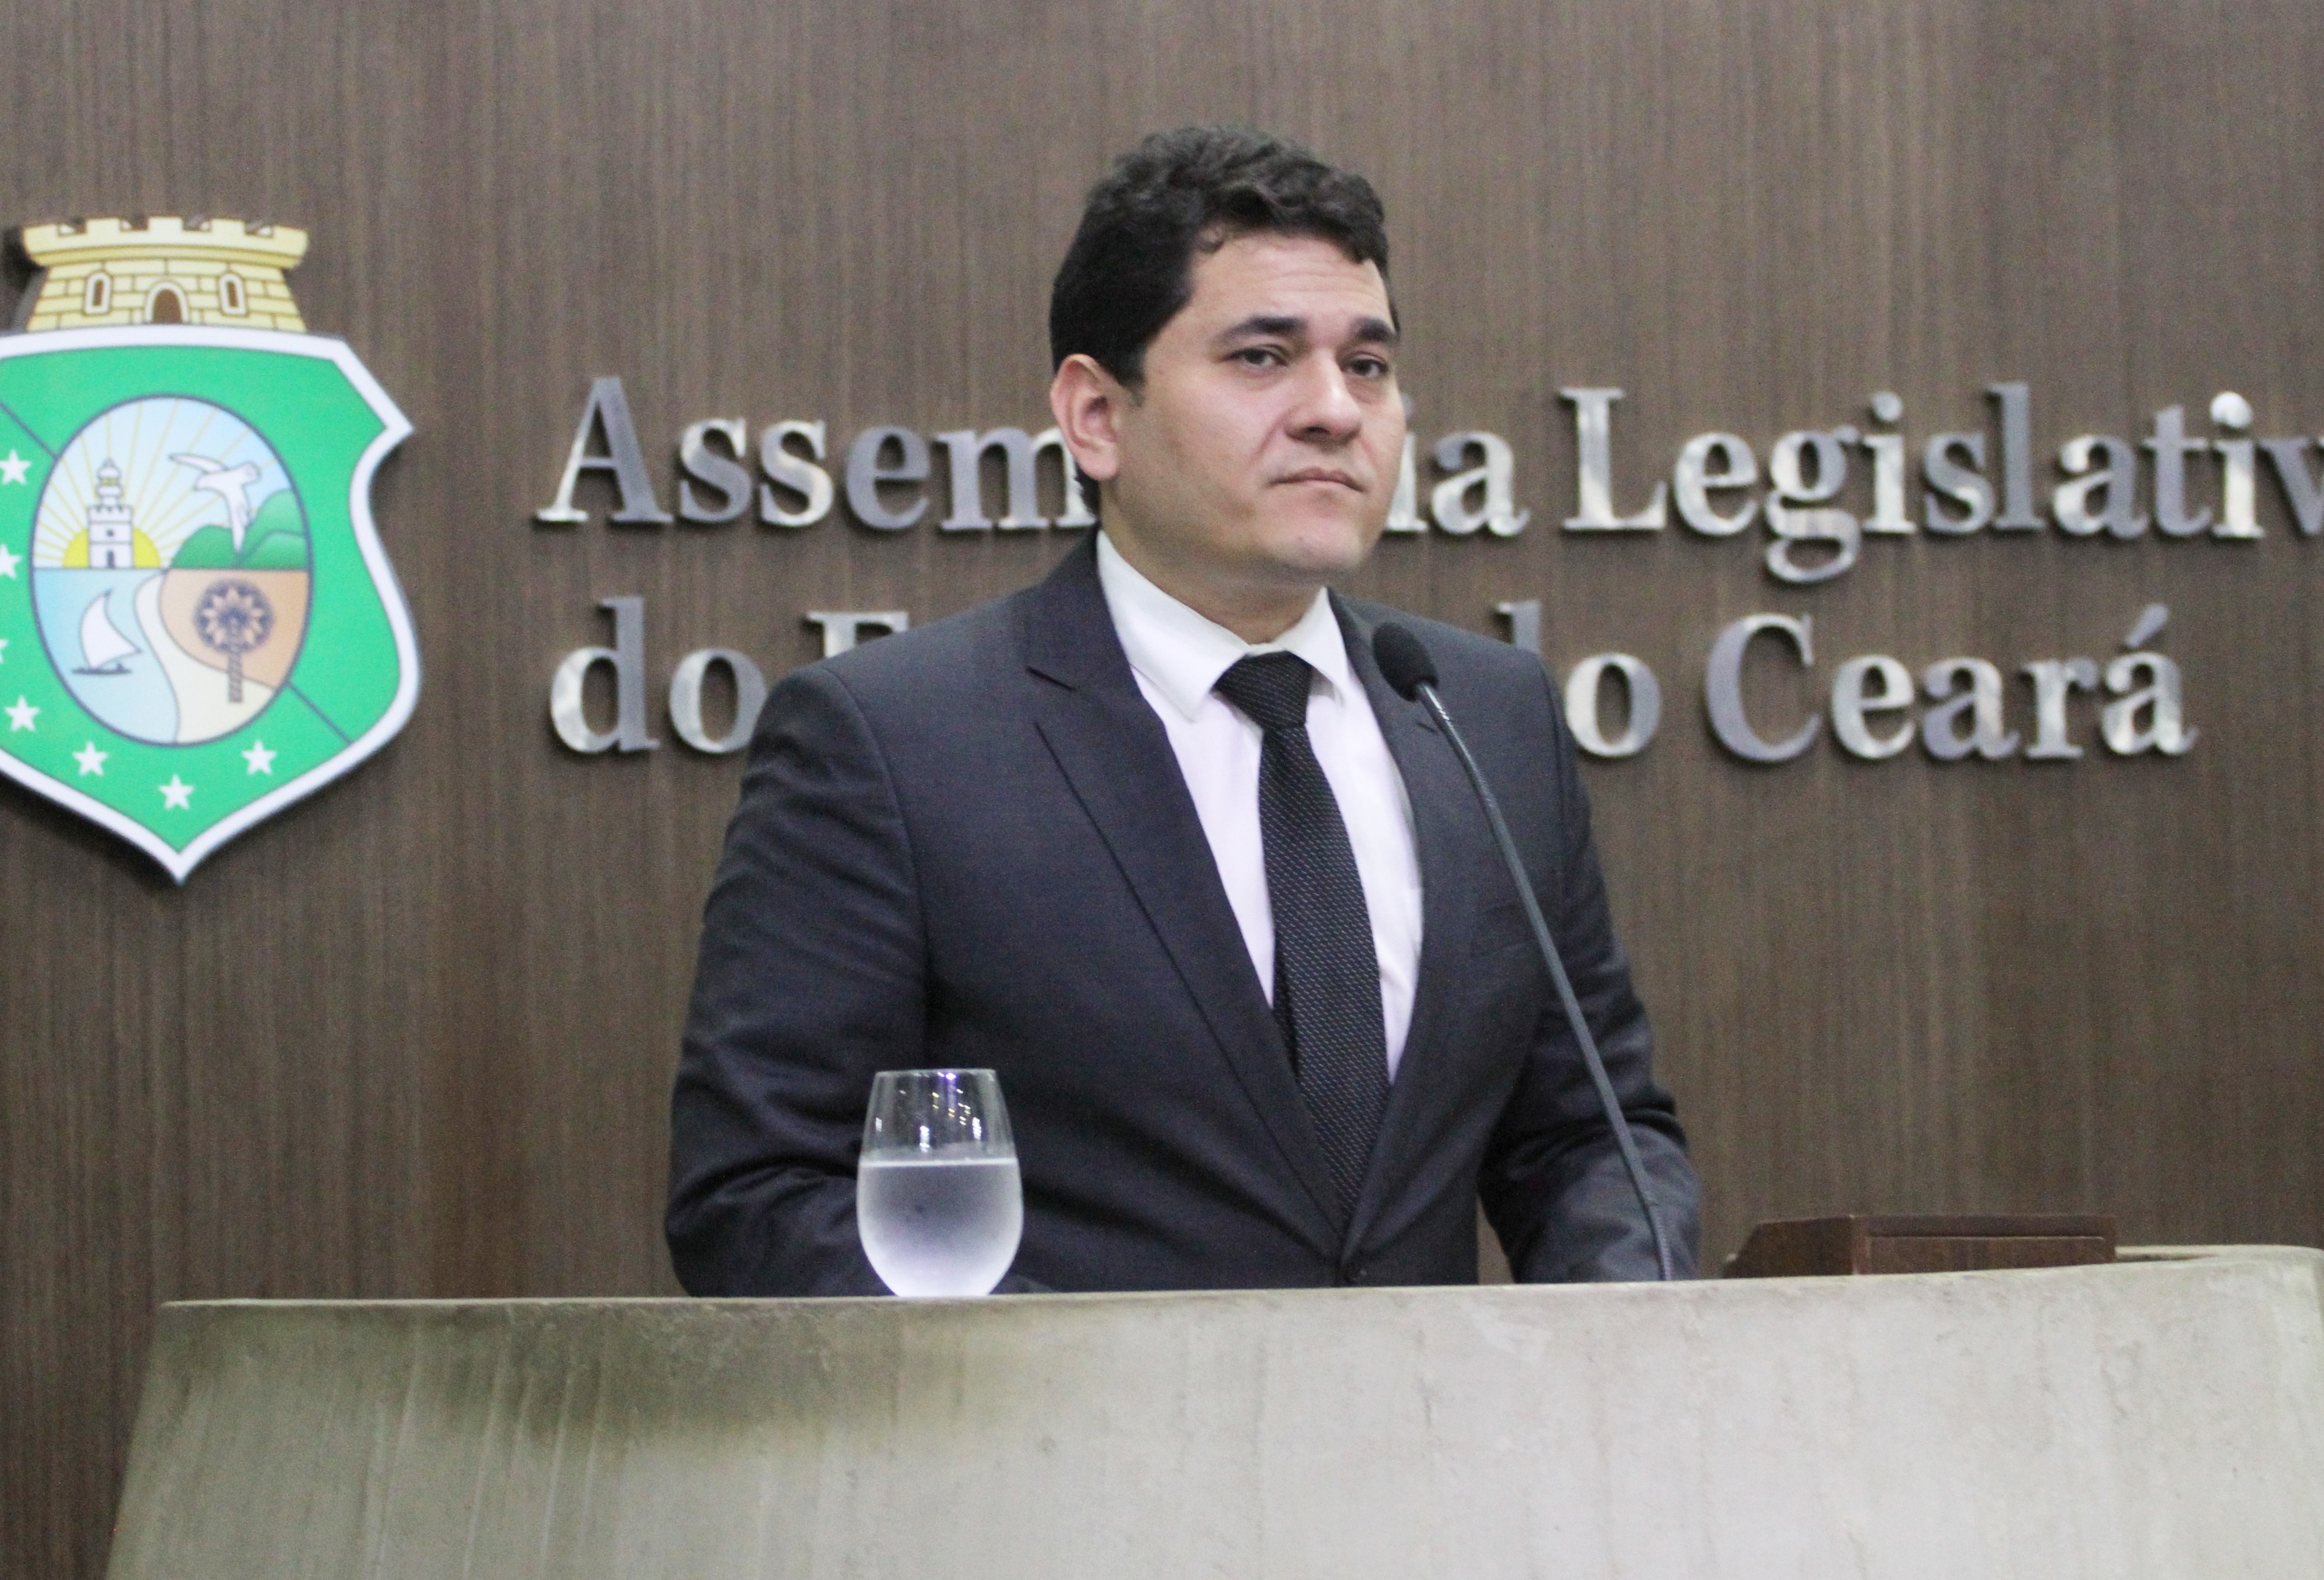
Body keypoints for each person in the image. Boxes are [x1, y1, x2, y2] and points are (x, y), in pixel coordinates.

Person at [668, 126, 1698, 1294]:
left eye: (1368, 365)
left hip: (1439, 1415)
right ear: (1096, 415)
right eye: (1263, 357)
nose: (1334, 410)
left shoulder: (1484, 718)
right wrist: (1102, 1380)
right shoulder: (894, 743)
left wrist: (1624, 1329)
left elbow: (1590, 1139)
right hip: (1062, 1417)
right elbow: (761, 1194)